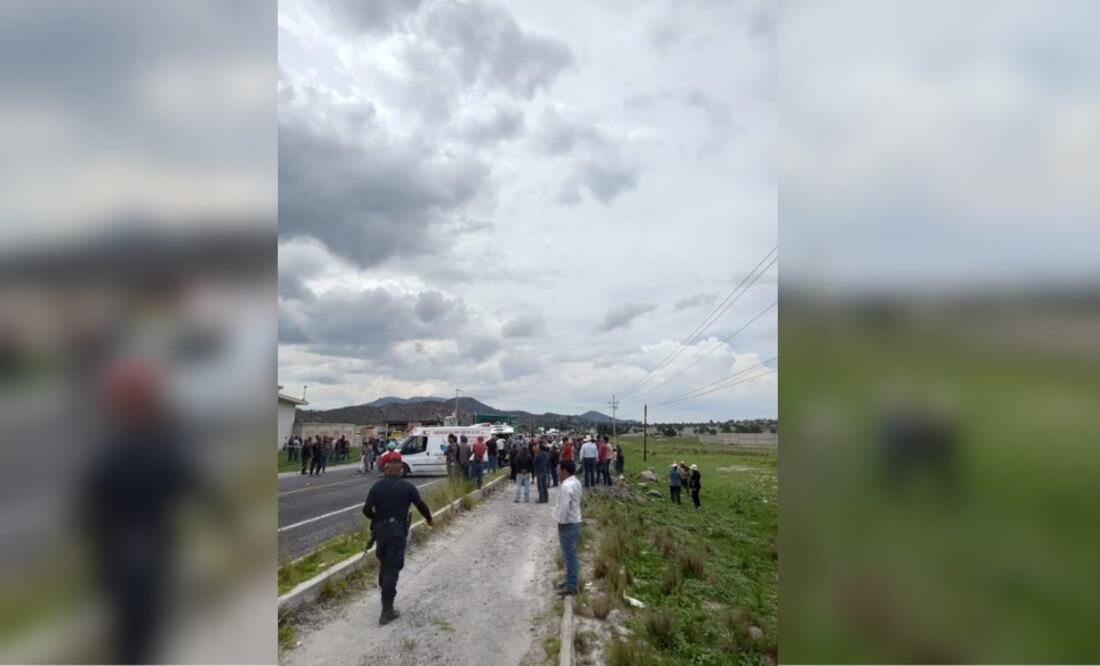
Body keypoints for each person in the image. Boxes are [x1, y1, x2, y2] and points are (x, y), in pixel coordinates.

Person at [362, 454, 434, 625]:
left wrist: (377, 518)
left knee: (385, 563)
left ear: (386, 470)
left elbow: (366, 510)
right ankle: (387, 611)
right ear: (400, 470)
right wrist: (429, 519)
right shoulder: (407, 487)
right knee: (393, 568)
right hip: (396, 532)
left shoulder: (377, 486)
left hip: (380, 531)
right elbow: (421, 505)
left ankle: (384, 590)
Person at [555, 459, 582, 596]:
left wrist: (560, 522)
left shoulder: (566, 486)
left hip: (568, 524)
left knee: (569, 556)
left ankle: (571, 586)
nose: (558, 472)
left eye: (560, 469)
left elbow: (564, 507)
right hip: (576, 522)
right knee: (570, 555)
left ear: (565, 471)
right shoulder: (576, 482)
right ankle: (569, 580)